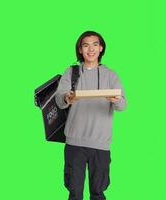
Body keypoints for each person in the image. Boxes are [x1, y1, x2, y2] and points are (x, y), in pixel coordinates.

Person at [55, 31, 127, 200]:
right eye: (86, 45)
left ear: (101, 48)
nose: (91, 49)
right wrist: (67, 97)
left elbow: (123, 105)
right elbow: (59, 100)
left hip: (101, 144)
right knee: (74, 194)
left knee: (98, 193)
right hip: (74, 143)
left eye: (95, 44)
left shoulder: (111, 75)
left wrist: (115, 100)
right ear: (80, 50)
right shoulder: (70, 72)